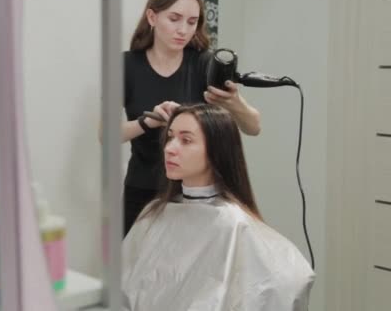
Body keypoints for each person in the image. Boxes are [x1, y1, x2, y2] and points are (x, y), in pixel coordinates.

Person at [122, 104, 315, 311]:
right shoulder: (153, 214)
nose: (169, 148)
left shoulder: (233, 224)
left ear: (217, 150)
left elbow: (293, 278)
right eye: (170, 137)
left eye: (186, 140)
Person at [116, 0, 261, 235]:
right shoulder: (127, 66)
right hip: (143, 192)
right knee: (135, 270)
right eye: (174, 19)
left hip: (198, 194)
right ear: (152, 16)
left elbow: (253, 127)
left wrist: (234, 102)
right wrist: (146, 122)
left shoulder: (205, 64)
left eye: (192, 22)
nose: (183, 30)